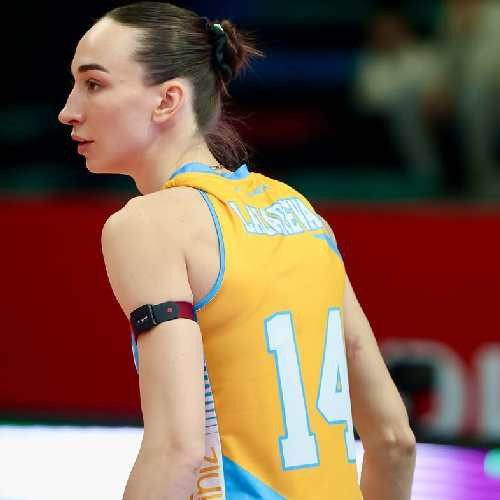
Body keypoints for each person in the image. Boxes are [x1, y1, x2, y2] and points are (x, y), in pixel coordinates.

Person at [58, 2, 416, 499]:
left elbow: (177, 451)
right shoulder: (300, 212)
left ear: (167, 100)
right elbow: (395, 441)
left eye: (94, 84)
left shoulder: (147, 225)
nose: (68, 110)